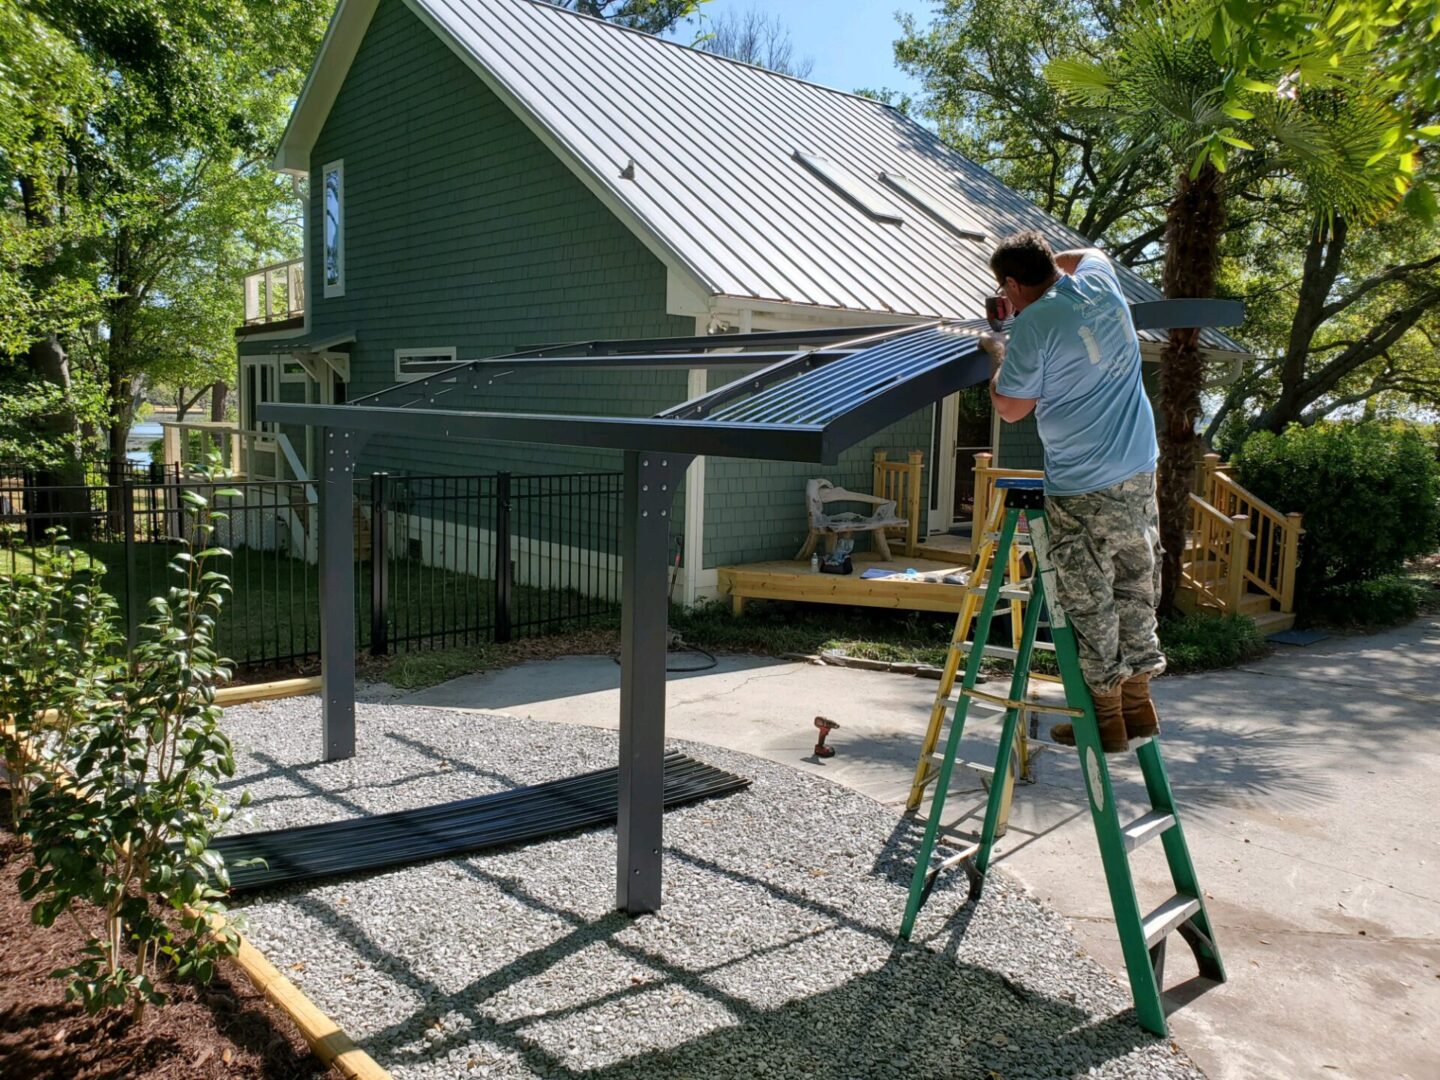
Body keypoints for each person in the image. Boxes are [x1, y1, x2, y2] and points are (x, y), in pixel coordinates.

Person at [981, 230, 1163, 753]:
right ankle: (1139, 705)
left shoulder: (1034, 323)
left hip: (1082, 484)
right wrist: (1039, 282)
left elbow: (1013, 407)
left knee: (1090, 601)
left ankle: (1105, 719)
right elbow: (1082, 256)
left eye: (1007, 288)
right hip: (1138, 470)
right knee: (1135, 585)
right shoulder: (1100, 282)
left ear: (1012, 284)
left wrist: (997, 353)